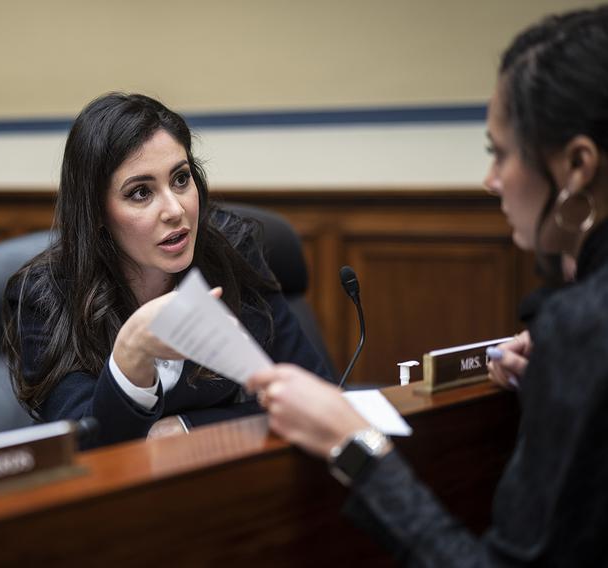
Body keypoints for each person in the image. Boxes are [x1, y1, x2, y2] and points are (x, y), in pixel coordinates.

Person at [247, 7, 608, 566]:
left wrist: (356, 446)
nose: (490, 181)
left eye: (500, 152)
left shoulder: (584, 325)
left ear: (578, 164)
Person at [1, 93, 331, 448]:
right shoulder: (45, 295)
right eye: (141, 193)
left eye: (180, 179)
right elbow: (86, 449)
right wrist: (131, 353)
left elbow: (318, 394)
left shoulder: (233, 252)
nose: (175, 210)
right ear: (96, 213)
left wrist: (184, 426)